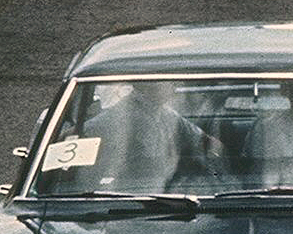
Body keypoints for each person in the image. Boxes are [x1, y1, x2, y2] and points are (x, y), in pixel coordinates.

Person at [81, 81, 214, 192]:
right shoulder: (110, 120)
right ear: (144, 84)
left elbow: (205, 142)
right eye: (164, 78)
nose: (175, 83)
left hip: (163, 193)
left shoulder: (166, 114)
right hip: (126, 198)